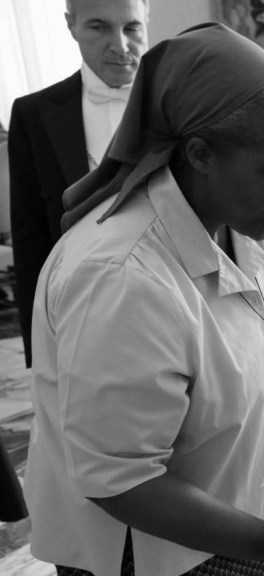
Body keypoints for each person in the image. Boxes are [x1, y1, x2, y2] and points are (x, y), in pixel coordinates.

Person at [24, 22, 264, 575]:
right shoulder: (121, 277)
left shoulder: (248, 223)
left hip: (234, 510)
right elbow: (119, 480)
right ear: (201, 152)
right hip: (156, 551)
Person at [8, 0, 149, 368]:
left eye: (132, 27)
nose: (120, 45)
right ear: (71, 26)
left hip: (176, 302)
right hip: (80, 307)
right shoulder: (33, 114)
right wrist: (39, 349)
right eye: (99, 27)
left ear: (147, 19)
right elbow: (31, 238)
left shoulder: (182, 105)